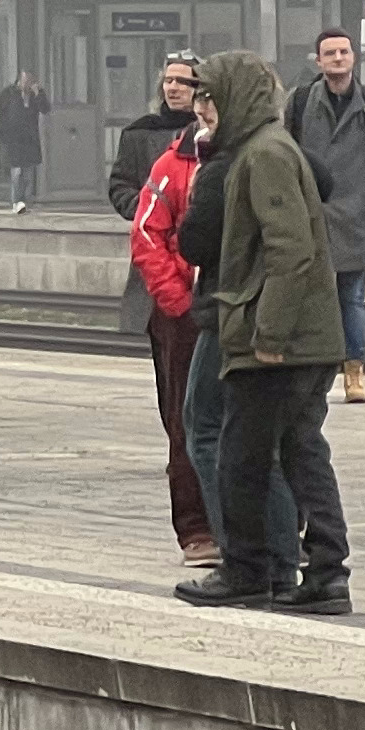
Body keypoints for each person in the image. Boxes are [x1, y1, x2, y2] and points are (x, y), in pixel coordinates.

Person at [172, 52, 352, 615]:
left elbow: (289, 251)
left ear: (237, 97)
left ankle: (248, 571)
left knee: (242, 457)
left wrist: (269, 334)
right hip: (299, 336)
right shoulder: (267, 148)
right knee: (301, 451)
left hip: (276, 340)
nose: (203, 107)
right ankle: (326, 575)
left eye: (210, 96)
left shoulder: (263, 154)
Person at [294, 29, 365, 408]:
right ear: (318, 61)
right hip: (309, 220)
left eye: (344, 51)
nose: (338, 58)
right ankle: (312, 373)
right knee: (309, 299)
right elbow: (283, 154)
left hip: (355, 222)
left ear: (354, 57)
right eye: (330, 53)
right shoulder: (299, 103)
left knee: (351, 298)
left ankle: (354, 372)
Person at [127, 110, 217, 567]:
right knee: (186, 419)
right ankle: (197, 528)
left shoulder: (256, 156)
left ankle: (264, 525)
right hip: (184, 314)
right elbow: (147, 233)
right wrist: (176, 300)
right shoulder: (171, 165)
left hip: (235, 309)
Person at [108, 56, 201, 219]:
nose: (173, 88)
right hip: (151, 227)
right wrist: (148, 209)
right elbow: (121, 185)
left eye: (182, 81)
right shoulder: (139, 132)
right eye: (168, 81)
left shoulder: (211, 132)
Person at [0, 71, 50, 209]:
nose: (28, 84)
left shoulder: (35, 94)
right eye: (26, 81)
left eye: (31, 81)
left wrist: (38, 94)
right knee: (17, 172)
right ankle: (16, 202)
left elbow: (45, 109)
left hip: (29, 140)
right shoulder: (8, 93)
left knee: (28, 174)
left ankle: (26, 201)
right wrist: (3, 133)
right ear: (20, 80)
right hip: (14, 140)